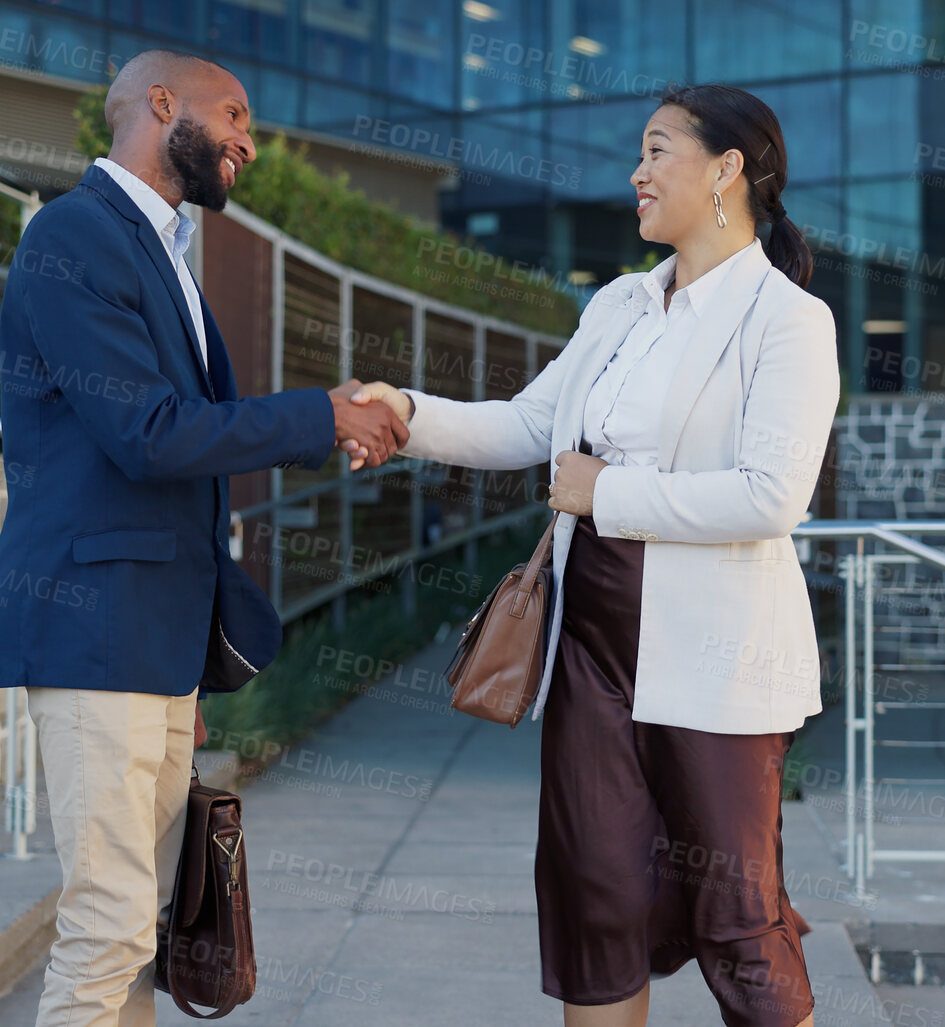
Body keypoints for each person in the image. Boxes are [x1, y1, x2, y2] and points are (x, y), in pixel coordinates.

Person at [350, 84, 834, 1027]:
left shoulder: (788, 321)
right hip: (594, 653)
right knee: (593, 898)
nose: (636, 173)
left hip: (719, 669)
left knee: (739, 922)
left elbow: (773, 496)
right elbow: (533, 421)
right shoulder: (619, 302)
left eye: (658, 152)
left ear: (727, 170)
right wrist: (405, 414)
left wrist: (602, 493)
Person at [0, 49, 408, 1027]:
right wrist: (321, 418)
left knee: (143, 929)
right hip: (94, 638)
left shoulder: (157, 247)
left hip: (147, 650)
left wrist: (182, 673)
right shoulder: (75, 237)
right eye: (235, 114)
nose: (250, 139)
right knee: (109, 927)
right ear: (162, 106)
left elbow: (173, 465)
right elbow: (150, 434)